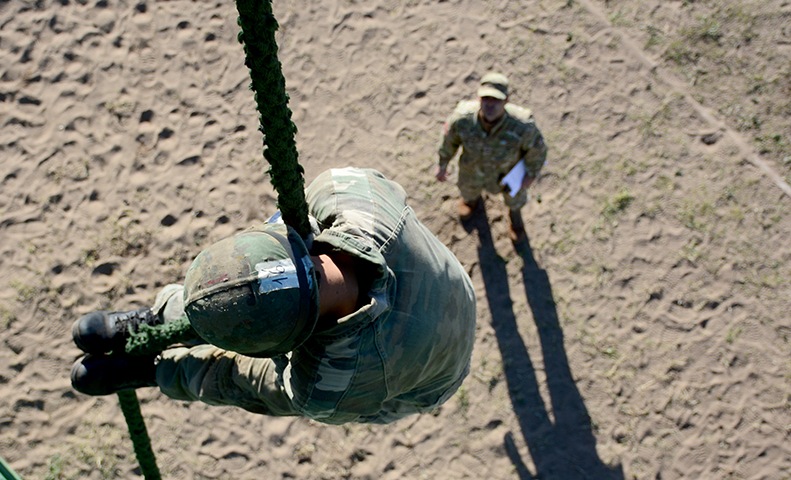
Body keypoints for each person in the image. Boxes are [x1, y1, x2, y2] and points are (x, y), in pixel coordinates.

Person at [71, 167, 476, 425]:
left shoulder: (333, 384)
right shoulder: (346, 193)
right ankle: (164, 320)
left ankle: (162, 370)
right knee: (242, 295)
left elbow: (256, 376)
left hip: (429, 374)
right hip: (450, 282)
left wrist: (176, 370)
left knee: (239, 380)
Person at [436, 72, 547, 241]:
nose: (490, 104)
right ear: (478, 97)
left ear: (507, 100)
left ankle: (515, 218)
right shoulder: (462, 119)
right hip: (472, 170)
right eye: (486, 98)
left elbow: (537, 150)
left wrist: (530, 174)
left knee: (515, 200)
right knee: (468, 189)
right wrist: (442, 164)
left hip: (508, 174)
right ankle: (470, 202)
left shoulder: (522, 125)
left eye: (496, 99)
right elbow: (449, 141)